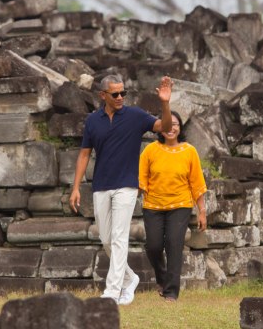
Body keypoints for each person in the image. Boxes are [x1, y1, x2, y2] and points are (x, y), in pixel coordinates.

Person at [69, 74, 173, 305]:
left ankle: (112, 292)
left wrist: (165, 103)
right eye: (115, 94)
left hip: (127, 186)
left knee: (118, 238)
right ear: (102, 95)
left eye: (123, 93)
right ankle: (130, 278)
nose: (120, 97)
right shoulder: (93, 121)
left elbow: (164, 127)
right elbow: (84, 154)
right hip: (101, 186)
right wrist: (76, 187)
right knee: (106, 238)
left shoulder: (135, 115)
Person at [138, 111, 207, 302]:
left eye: (176, 124)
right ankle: (162, 279)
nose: (172, 128)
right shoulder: (150, 150)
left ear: (180, 128)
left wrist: (202, 211)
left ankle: (171, 292)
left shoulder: (189, 151)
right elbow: (141, 180)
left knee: (174, 245)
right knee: (153, 246)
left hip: (180, 205)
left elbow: (197, 184)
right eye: (168, 124)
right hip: (153, 205)